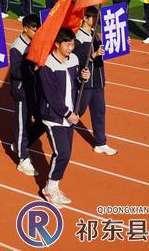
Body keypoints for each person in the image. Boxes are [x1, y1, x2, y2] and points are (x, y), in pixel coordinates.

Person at [39, 28, 88, 206]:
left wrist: (83, 78)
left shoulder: (73, 59)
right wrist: (68, 114)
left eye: (73, 44)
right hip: (54, 117)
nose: (71, 48)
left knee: (63, 153)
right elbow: (52, 96)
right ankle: (49, 188)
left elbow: (74, 83)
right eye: (68, 44)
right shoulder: (47, 65)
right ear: (57, 44)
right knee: (63, 153)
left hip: (70, 116)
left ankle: (55, 185)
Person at [74, 7, 117, 156]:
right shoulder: (79, 37)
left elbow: (103, 51)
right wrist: (93, 55)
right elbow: (78, 60)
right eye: (93, 17)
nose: (96, 20)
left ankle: (100, 142)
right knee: (76, 112)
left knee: (99, 112)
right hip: (86, 83)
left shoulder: (94, 34)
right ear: (85, 18)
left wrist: (120, 42)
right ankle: (57, 130)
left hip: (98, 80)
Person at [9, 14, 42, 177]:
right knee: (22, 124)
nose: (38, 31)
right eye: (35, 29)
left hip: (34, 89)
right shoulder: (17, 47)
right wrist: (32, 69)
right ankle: (23, 159)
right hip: (22, 90)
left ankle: (21, 144)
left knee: (41, 119)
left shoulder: (35, 42)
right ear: (25, 28)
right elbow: (15, 71)